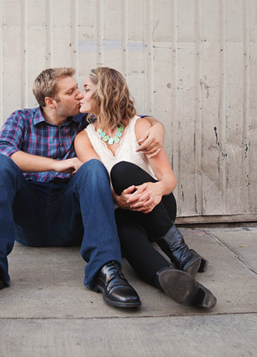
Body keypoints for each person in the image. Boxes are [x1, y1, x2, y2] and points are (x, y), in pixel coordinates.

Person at [0, 67, 165, 309]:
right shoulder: (21, 119)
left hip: (69, 215)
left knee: (92, 168)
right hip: (28, 214)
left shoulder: (85, 119)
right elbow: (2, 150)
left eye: (79, 90)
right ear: (50, 101)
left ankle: (106, 269)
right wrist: (56, 165)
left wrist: (157, 127)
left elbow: (127, 117)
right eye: (71, 92)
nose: (80, 96)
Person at [74, 67, 216, 308]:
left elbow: (168, 179)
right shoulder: (84, 139)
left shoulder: (140, 128)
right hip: (124, 214)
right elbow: (98, 186)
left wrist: (156, 190)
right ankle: (168, 279)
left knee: (121, 170)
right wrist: (118, 201)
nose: (80, 94)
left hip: (157, 209)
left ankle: (178, 249)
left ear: (104, 94)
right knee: (119, 227)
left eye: (86, 89)